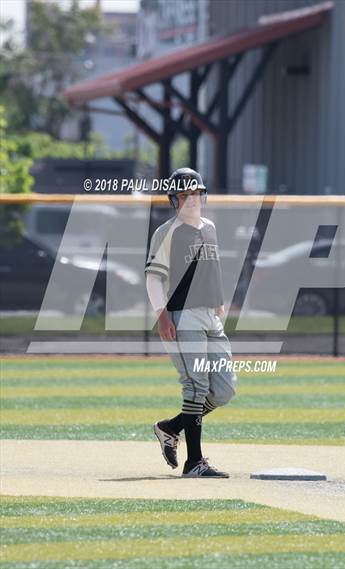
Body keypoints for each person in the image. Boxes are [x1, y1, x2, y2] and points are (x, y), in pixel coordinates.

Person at [145, 167, 236, 478]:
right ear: (174, 200)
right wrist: (162, 315)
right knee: (195, 386)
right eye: (183, 195)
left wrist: (219, 300)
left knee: (223, 390)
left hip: (210, 316)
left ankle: (169, 427)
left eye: (194, 193)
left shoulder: (209, 227)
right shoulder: (166, 232)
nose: (190, 199)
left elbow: (211, 269)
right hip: (182, 315)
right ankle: (194, 462)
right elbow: (153, 278)